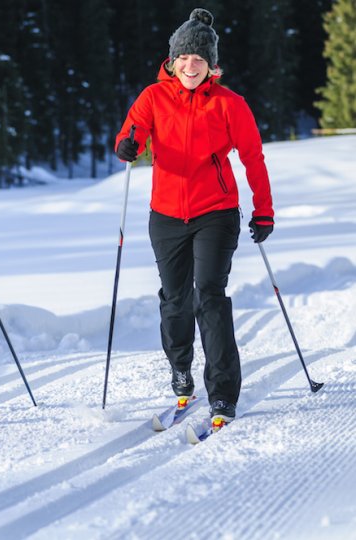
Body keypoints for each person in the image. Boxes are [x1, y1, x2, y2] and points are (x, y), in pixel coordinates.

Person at [115, 8, 274, 426]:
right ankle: (181, 368)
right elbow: (132, 132)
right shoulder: (152, 97)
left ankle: (222, 393)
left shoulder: (229, 105)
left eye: (199, 60)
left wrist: (264, 210)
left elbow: (254, 159)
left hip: (215, 213)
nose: (191, 66)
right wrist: (128, 145)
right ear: (173, 60)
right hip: (166, 215)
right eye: (184, 58)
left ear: (211, 66)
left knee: (210, 295)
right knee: (174, 301)